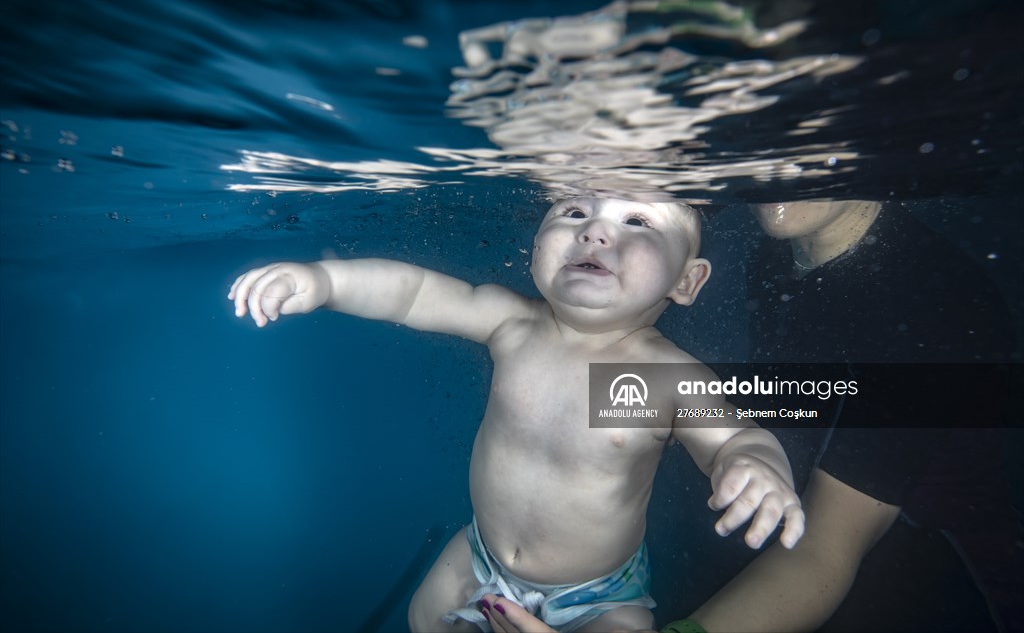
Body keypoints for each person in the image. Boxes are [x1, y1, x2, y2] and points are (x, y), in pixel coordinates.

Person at [228, 195, 806, 632]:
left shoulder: (669, 377)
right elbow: (414, 293)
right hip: (480, 553)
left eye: (638, 221)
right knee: (422, 617)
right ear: (536, 245)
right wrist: (325, 281)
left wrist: (755, 464)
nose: (596, 230)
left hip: (601, 594)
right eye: (574, 210)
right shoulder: (512, 324)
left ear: (687, 279)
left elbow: (735, 438)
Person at [480, 198, 1022, 632]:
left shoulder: (932, 308)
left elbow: (828, 548)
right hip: (781, 524)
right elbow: (812, 395)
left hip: (933, 571)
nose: (772, 168)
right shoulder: (781, 245)